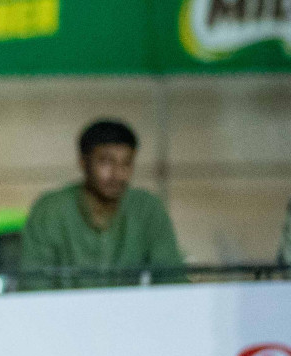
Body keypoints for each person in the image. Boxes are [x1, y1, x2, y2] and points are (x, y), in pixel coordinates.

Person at [20, 119, 186, 289]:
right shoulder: (50, 210)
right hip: (62, 315)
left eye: (126, 163)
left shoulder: (147, 208)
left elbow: (172, 279)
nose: (118, 174)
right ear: (83, 162)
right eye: (106, 162)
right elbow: (34, 286)